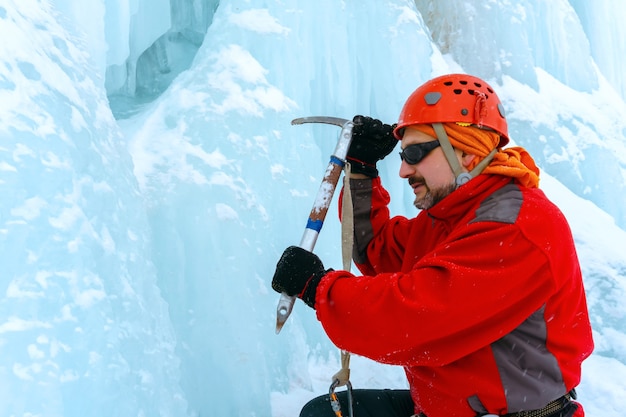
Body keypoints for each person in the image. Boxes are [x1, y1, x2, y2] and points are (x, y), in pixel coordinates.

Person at [271, 74, 594, 417]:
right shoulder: (454, 217)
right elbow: (378, 252)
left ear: (466, 152)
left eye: (414, 153)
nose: (404, 169)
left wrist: (319, 288)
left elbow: (410, 320)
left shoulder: (518, 227)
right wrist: (363, 171)